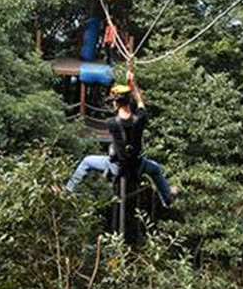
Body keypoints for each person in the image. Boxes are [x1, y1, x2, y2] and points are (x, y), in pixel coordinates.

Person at [65, 71, 178, 205]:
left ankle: (68, 190)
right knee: (155, 169)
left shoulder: (111, 123)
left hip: (117, 167)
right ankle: (166, 198)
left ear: (116, 103)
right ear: (128, 101)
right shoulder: (140, 118)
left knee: (87, 161)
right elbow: (140, 101)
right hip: (137, 166)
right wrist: (132, 84)